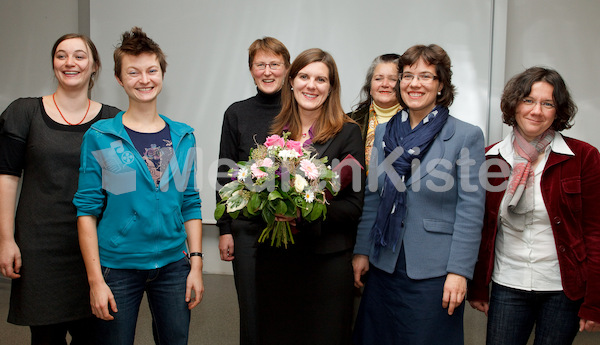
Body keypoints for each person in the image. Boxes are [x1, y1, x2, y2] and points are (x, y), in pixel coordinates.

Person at [73, 27, 203, 345]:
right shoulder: (102, 137)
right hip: (117, 268)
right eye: (133, 72)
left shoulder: (183, 136)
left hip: (174, 266)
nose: (144, 80)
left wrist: (196, 264)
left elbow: (190, 202)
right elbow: (87, 211)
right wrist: (95, 282)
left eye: (151, 70)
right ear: (119, 79)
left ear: (162, 73)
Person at [352, 44, 485, 345]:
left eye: (426, 76)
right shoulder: (386, 132)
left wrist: (459, 272)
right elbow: (374, 196)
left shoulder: (465, 135)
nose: (415, 83)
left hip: (434, 273)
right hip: (384, 263)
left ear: (441, 85)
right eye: (408, 75)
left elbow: (470, 210)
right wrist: (361, 251)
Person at [0, 33, 120, 344]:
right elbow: (7, 177)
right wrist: (6, 239)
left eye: (80, 56)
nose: (70, 63)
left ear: (94, 66)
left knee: (94, 336)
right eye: (61, 55)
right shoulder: (23, 112)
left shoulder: (112, 120)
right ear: (53, 63)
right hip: (40, 250)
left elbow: (122, 189)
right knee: (46, 339)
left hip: (95, 251)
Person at [467, 66, 600, 344]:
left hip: (563, 288)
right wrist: (479, 287)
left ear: (558, 111)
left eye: (547, 103)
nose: (536, 111)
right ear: (514, 104)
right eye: (528, 100)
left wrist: (595, 301)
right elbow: (481, 229)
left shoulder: (583, 157)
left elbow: (594, 232)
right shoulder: (489, 159)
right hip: (508, 285)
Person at [255, 48, 365, 345]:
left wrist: (302, 214)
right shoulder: (276, 133)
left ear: (331, 88)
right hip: (278, 261)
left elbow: (353, 207)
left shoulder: (348, 133)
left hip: (326, 264)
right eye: (304, 76)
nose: (311, 85)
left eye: (321, 79)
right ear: (291, 81)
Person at [216, 36, 290, 345]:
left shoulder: (300, 108)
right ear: (250, 70)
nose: (268, 71)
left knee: (287, 309)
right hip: (245, 229)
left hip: (291, 227)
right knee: (251, 311)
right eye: (261, 65)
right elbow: (224, 172)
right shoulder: (236, 113)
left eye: (275, 64)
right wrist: (224, 229)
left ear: (287, 69)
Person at [349, 53, 401, 172]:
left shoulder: (415, 121)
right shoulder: (349, 121)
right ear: (370, 87)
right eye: (378, 78)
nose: (384, 84)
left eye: (393, 79)